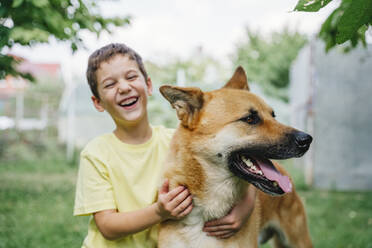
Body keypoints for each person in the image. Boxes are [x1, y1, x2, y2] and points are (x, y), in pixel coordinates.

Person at [73, 43, 256, 248]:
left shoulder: (177, 142)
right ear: (98, 102)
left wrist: (245, 208)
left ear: (148, 85)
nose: (124, 87)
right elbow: (107, 226)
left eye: (131, 77)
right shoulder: (96, 153)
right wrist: (159, 212)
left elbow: (242, 169)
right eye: (109, 84)